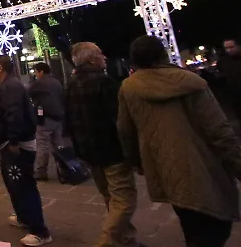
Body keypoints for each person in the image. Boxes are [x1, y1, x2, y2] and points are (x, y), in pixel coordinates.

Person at [118, 35, 241, 247]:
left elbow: (125, 131)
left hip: (164, 166)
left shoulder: (129, 87)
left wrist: (138, 162)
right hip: (204, 165)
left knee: (191, 224)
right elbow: (218, 130)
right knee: (217, 224)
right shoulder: (191, 82)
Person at [66, 42, 141, 247]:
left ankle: (126, 239)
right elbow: (118, 119)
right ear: (91, 59)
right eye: (100, 54)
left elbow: (69, 120)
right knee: (124, 199)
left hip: (89, 151)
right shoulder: (104, 81)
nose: (105, 57)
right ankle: (107, 242)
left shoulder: (71, 82)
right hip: (111, 150)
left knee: (110, 197)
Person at [0, 56, 52, 246]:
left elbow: (14, 114)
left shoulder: (12, 87)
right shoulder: (7, 86)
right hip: (8, 144)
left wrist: (13, 140)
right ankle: (24, 217)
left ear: (0, 68)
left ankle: (39, 230)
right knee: (15, 186)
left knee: (24, 186)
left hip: (15, 145)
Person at [28, 63, 65, 181]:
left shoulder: (40, 83)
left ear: (41, 72)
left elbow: (27, 92)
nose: (35, 74)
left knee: (42, 146)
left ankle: (41, 171)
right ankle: (63, 170)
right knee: (58, 145)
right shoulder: (56, 82)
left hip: (45, 118)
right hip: (58, 118)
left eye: (36, 72)